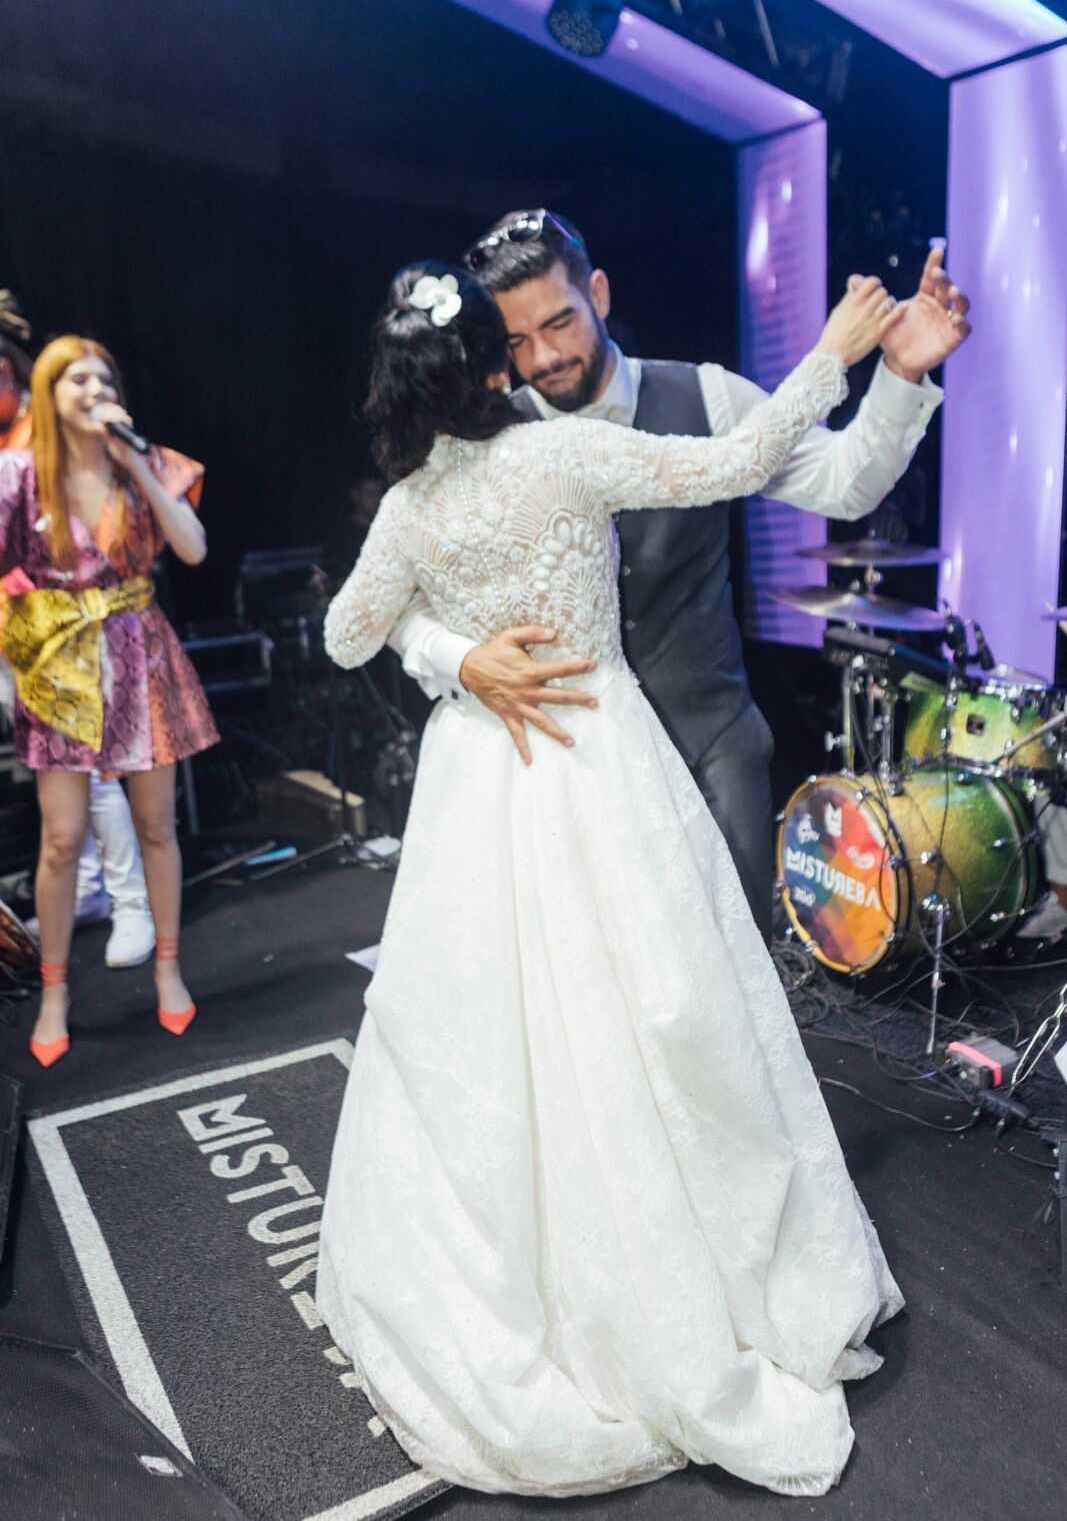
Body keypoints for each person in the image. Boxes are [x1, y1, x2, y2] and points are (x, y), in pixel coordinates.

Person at [315, 262, 907, 1498]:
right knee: (660, 1010)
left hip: (480, 786)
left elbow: (343, 633)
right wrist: (834, 351)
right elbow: (733, 462)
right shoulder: (563, 456)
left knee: (498, 1032)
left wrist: (450, 651)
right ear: (493, 366)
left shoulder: (406, 511)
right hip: (597, 760)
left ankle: (537, 1280)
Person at [387, 212, 970, 940]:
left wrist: (901, 373)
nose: (545, 357)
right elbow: (401, 599)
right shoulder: (487, 435)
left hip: (710, 748)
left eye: (560, 323)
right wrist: (464, 661)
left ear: (599, 294)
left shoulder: (707, 397)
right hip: (569, 774)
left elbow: (845, 485)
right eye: (517, 342)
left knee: (736, 966)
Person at [0, 336, 218, 1065]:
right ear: (49, 393)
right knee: (62, 839)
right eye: (77, 379)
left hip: (141, 656)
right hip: (60, 670)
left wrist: (139, 465)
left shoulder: (143, 464)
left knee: (156, 826)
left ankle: (168, 970)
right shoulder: (19, 474)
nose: (95, 389)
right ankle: (55, 993)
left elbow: (193, 548)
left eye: (104, 378)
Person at [0, 293, 155, 969]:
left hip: (62, 631)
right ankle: (95, 889)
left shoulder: (42, 438)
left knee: (87, 772)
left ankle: (127, 900)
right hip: (20, 631)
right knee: (66, 776)